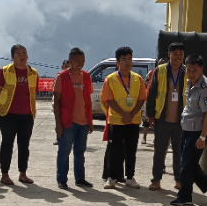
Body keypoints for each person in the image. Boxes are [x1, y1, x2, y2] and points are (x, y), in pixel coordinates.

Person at [171, 54, 207, 206]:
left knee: (186, 165)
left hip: (198, 131)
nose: (191, 73)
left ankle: (185, 196)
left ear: (201, 69)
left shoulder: (205, 88)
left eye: (195, 70)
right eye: (189, 70)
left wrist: (203, 137)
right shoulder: (189, 82)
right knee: (189, 163)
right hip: (186, 128)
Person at [102, 46, 146, 189]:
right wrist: (124, 114)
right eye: (124, 59)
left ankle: (130, 177)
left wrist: (131, 114)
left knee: (131, 150)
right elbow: (109, 100)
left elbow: (141, 98)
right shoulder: (110, 79)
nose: (127, 62)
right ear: (118, 62)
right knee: (115, 150)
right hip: (116, 120)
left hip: (133, 120)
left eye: (129, 59)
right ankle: (111, 177)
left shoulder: (138, 78)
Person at [0, 44, 37, 185]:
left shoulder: (33, 73)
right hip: (8, 114)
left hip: (27, 114)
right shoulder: (4, 71)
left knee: (24, 145)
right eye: (18, 54)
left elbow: (33, 92)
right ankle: (4, 174)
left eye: (24, 53)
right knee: (7, 144)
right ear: (12, 57)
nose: (22, 56)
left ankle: (23, 174)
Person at [146, 44, 185, 191]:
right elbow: (151, 93)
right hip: (162, 119)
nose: (178, 56)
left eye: (181, 53)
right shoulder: (160, 71)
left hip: (181, 121)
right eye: (175, 53)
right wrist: (151, 115)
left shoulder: (186, 72)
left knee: (179, 153)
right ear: (169, 55)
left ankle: (179, 180)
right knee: (159, 152)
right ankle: (156, 180)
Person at [54, 47, 93, 188]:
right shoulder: (62, 76)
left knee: (80, 152)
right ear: (70, 60)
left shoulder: (86, 76)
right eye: (77, 60)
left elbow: (88, 100)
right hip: (67, 121)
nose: (80, 63)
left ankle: (80, 178)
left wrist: (90, 121)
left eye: (83, 60)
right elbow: (56, 102)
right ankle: (62, 179)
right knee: (64, 151)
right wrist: (58, 124)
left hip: (83, 122)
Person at [143, 57, 166, 145]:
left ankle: (156, 138)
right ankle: (144, 137)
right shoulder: (151, 73)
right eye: (161, 64)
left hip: (161, 100)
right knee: (146, 120)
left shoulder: (169, 74)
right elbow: (145, 84)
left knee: (158, 121)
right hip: (150, 98)